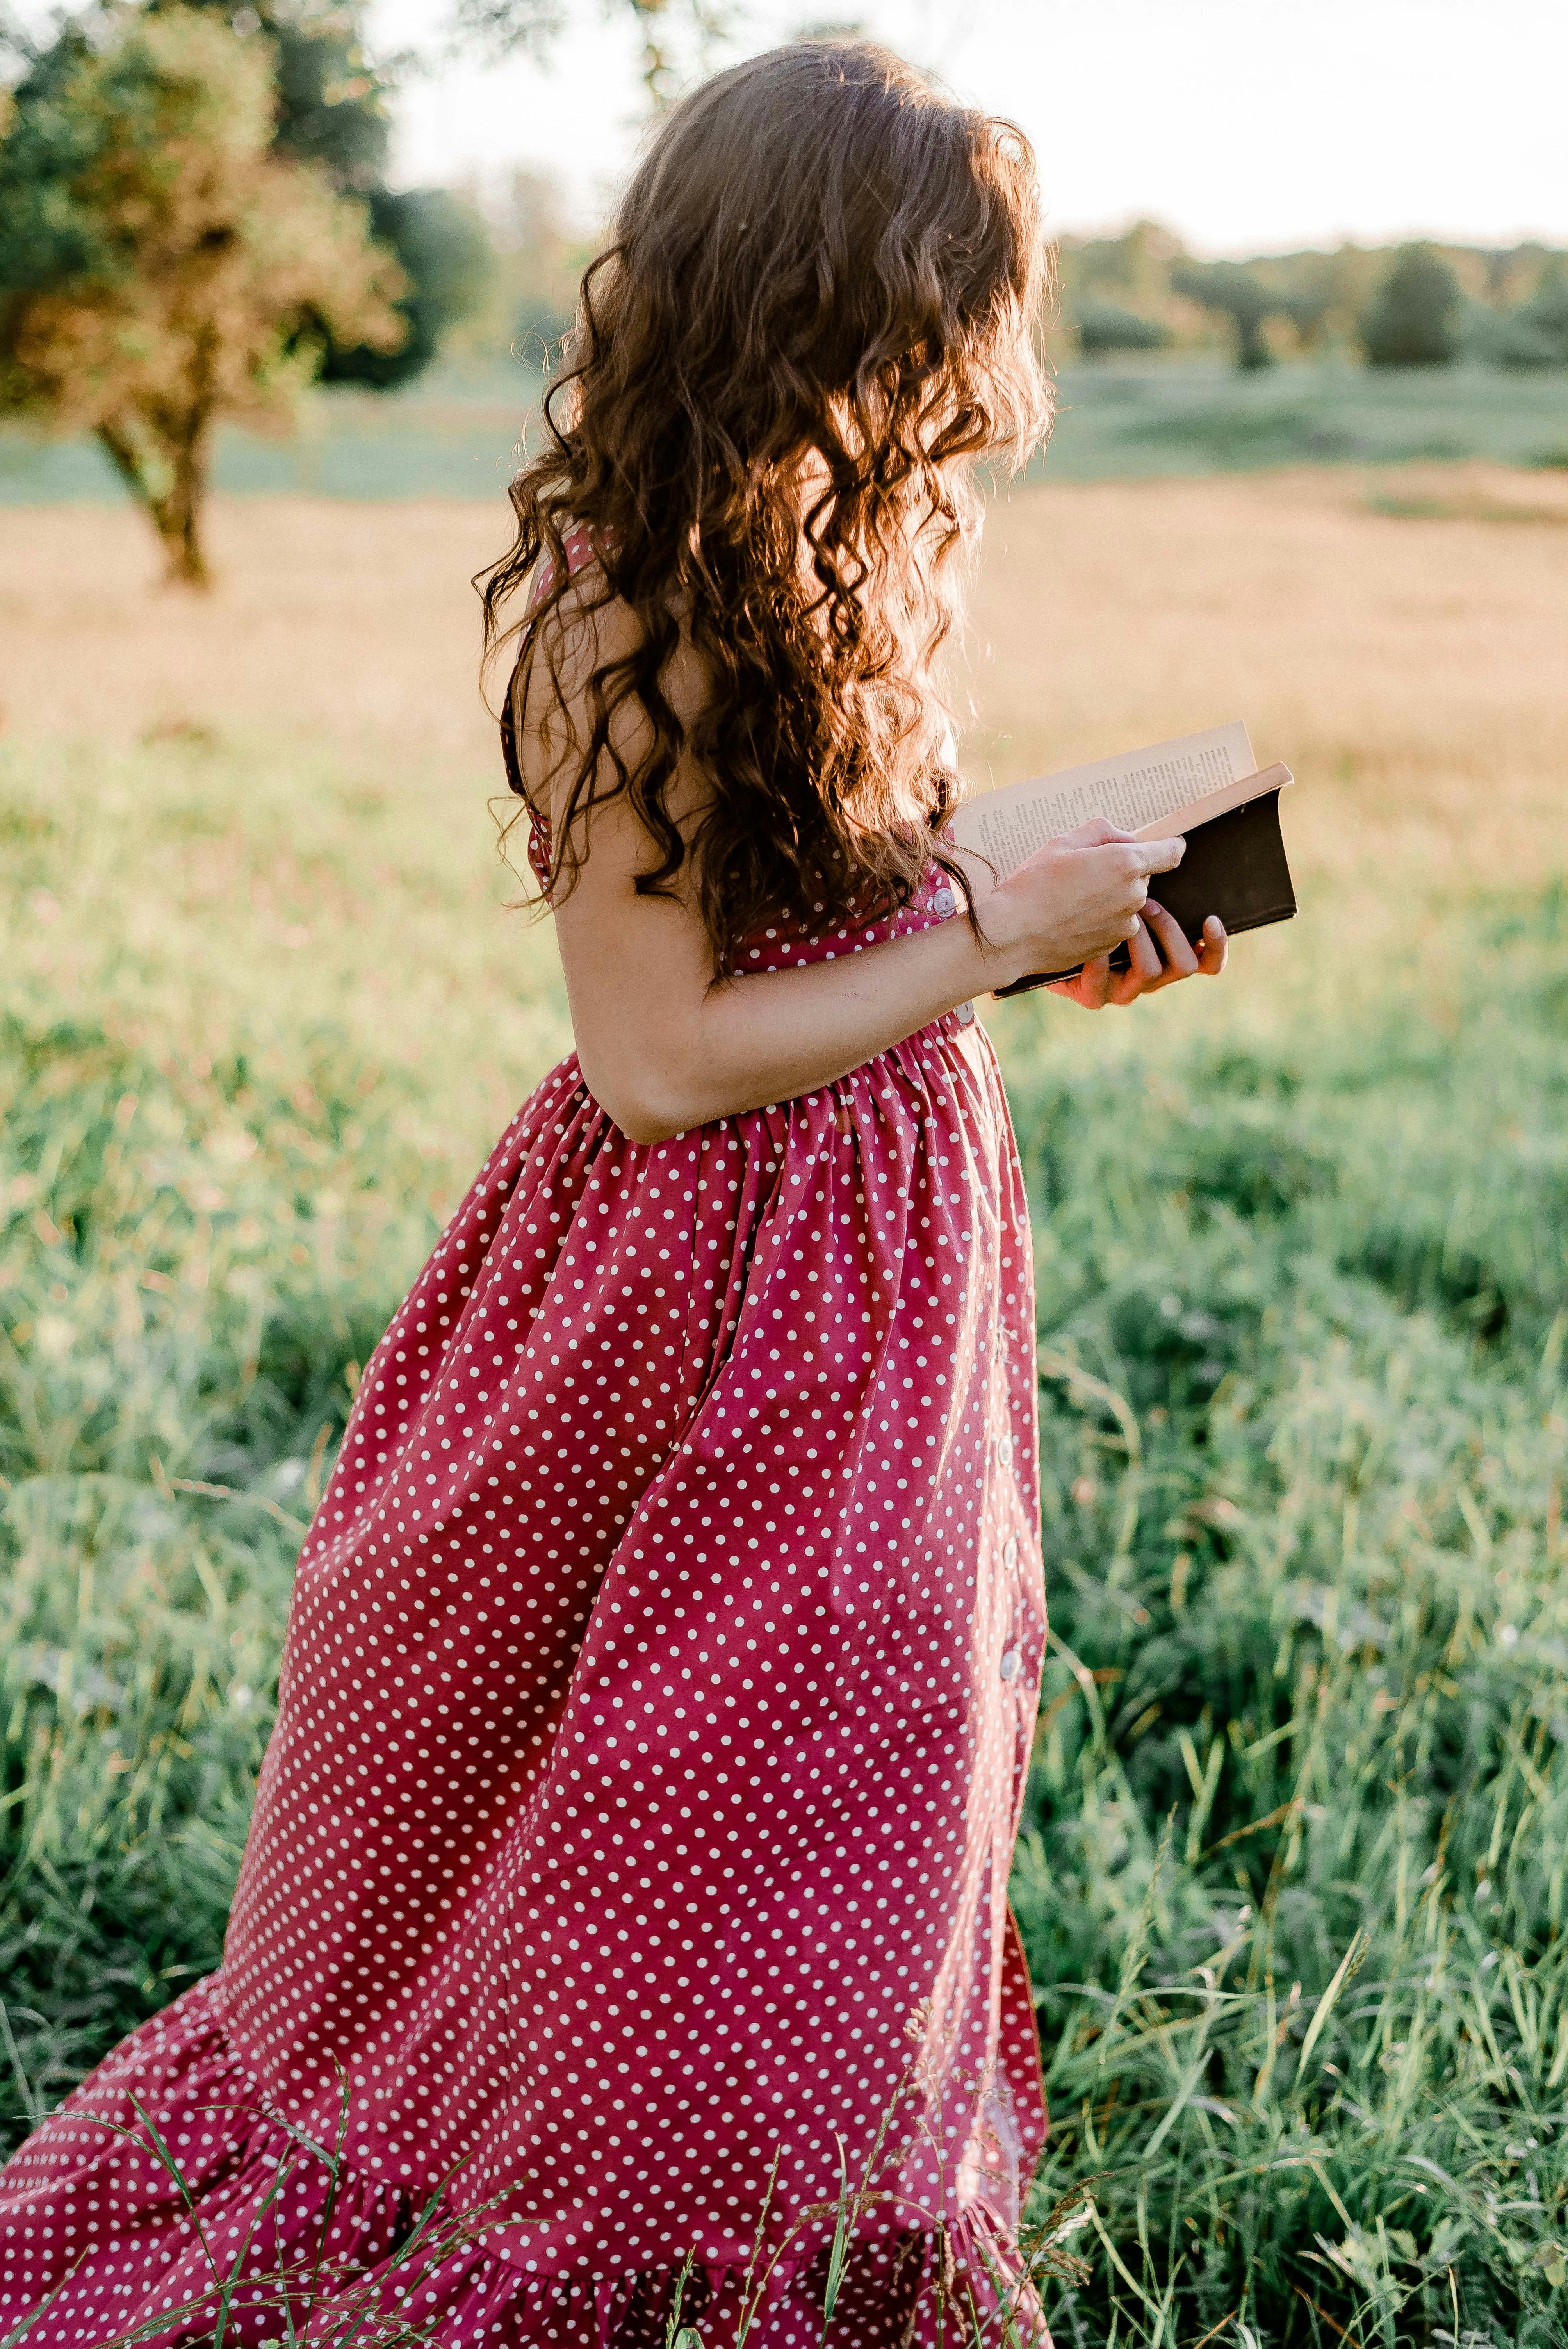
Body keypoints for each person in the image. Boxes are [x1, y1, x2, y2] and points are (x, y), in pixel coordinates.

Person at [0, 39, 1225, 2349]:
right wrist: (981, 939)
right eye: (969, 296)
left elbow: (836, 920)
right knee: (645, 1816)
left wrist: (1048, 916)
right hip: (690, 1306)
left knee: (843, 1820)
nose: (998, 356)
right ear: (831, 293)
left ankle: (804, 2241)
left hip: (876, 1283)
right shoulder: (622, 603)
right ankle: (593, 2254)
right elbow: (657, 1057)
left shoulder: (842, 555)